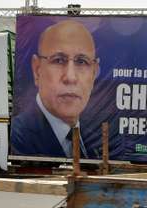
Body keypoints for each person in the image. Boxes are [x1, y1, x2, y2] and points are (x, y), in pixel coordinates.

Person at [11, 20, 99, 159]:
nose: (70, 77)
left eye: (82, 61)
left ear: (94, 73)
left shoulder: (95, 142)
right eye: (58, 60)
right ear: (37, 70)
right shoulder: (18, 137)